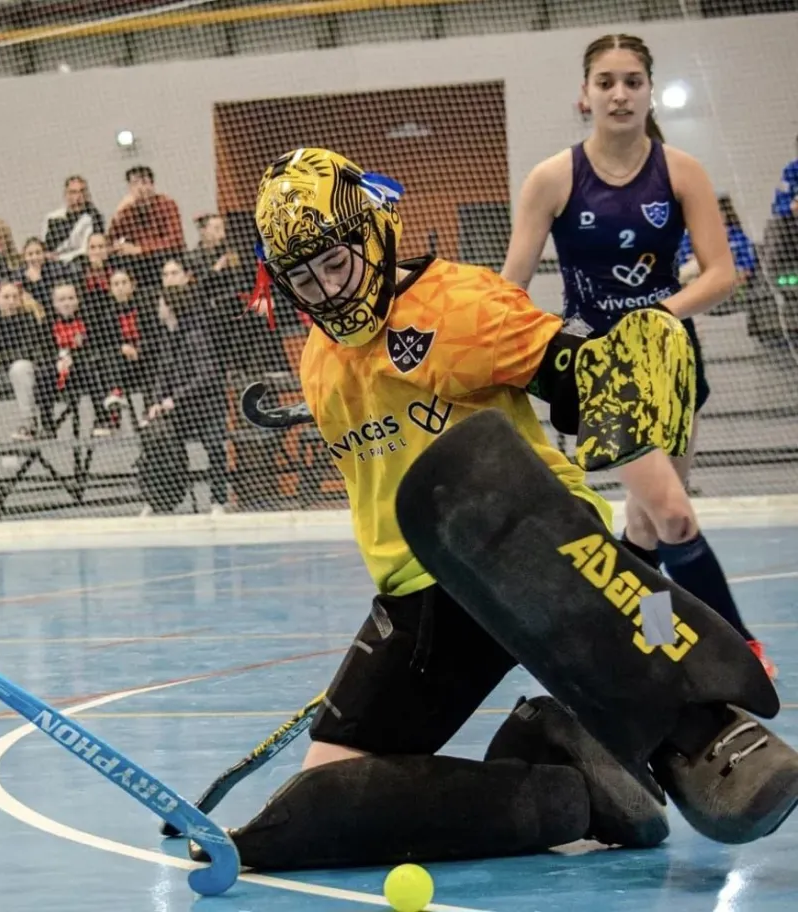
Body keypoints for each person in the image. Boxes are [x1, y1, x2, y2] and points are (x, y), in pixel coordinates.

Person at [203, 146, 798, 873]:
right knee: (329, 796)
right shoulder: (318, 361)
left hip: (522, 547)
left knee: (325, 812)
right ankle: (565, 780)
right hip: (416, 594)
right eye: (304, 278)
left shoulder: (457, 305)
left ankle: (700, 729)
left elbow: (570, 369)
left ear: (373, 238)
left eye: (336, 264)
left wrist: (619, 374)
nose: (327, 290)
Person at [499, 33, 776, 679]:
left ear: (649, 90)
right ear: (584, 94)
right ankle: (740, 650)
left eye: (631, 81)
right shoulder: (552, 179)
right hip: (602, 368)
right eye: (605, 81)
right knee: (677, 514)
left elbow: (721, 273)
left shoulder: (682, 171)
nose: (619, 93)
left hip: (674, 358)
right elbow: (508, 285)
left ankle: (645, 637)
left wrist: (658, 315)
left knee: (649, 523)